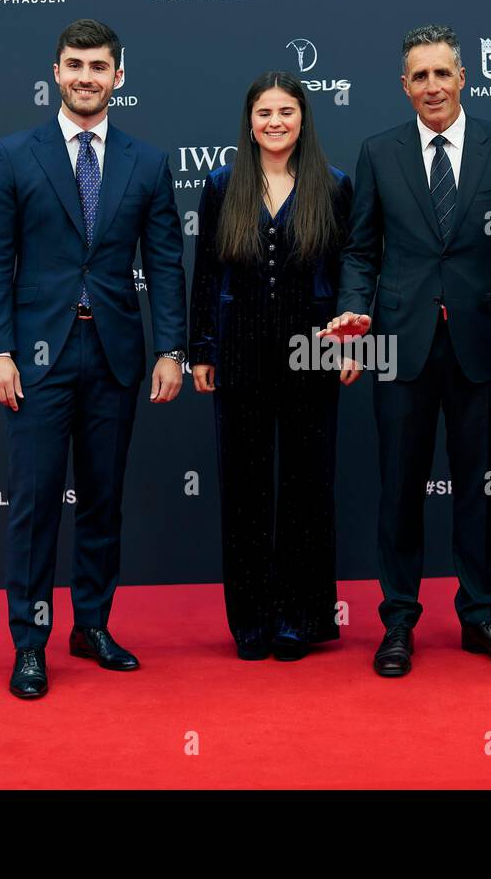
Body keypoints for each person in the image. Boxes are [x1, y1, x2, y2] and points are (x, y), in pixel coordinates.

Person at [0, 19, 188, 699]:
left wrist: (172, 348)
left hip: (115, 354)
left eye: (98, 66)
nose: (86, 76)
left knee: (102, 501)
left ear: (118, 76)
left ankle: (91, 625)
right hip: (36, 359)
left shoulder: (147, 162)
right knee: (36, 504)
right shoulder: (13, 155)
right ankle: (29, 643)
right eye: (74, 64)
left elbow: (165, 263)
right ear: (56, 72)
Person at [322, 25, 491, 677]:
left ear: (463, 77)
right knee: (399, 489)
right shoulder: (378, 152)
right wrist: (353, 311)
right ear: (404, 86)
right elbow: (360, 251)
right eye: (419, 76)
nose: (432, 86)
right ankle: (398, 621)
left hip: (483, 348)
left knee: (480, 488)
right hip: (399, 345)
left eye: (442, 73)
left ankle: (481, 616)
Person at [189, 71, 353, 661]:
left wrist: (351, 345)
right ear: (250, 121)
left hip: (316, 352)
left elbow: (349, 274)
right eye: (265, 112)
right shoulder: (221, 184)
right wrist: (201, 349)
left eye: (286, 111)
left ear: (303, 119)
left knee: (308, 486)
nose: (275, 121)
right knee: (245, 488)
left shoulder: (334, 186)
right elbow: (206, 272)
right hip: (239, 352)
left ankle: (299, 618)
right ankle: (252, 619)